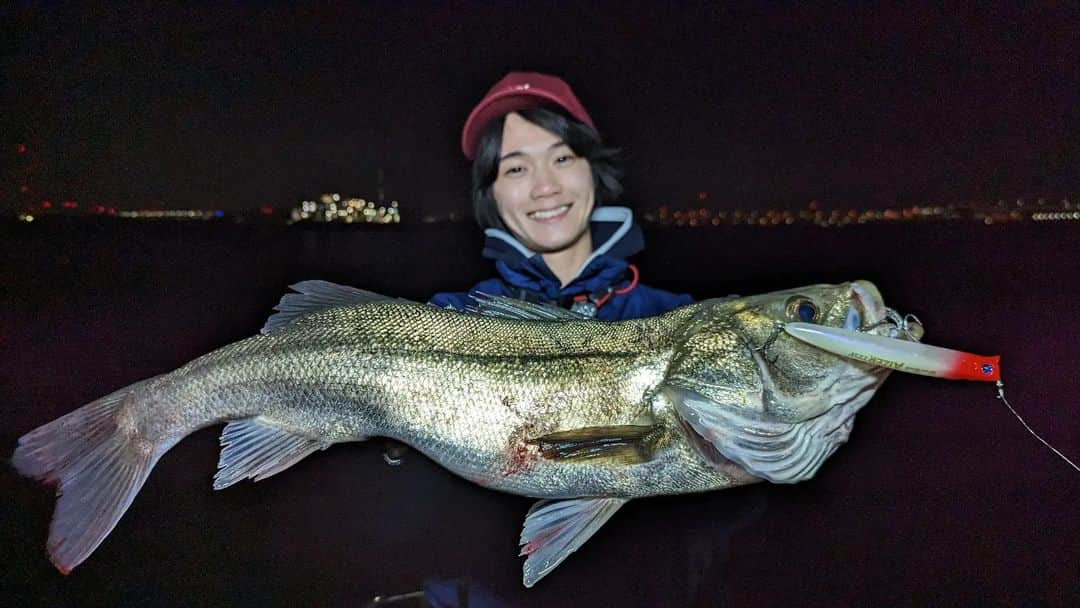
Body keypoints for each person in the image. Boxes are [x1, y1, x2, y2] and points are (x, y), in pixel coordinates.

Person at [429, 71, 693, 320]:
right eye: (517, 168)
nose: (545, 187)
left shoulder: (680, 320)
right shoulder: (449, 318)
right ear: (491, 194)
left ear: (593, 170)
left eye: (562, 158)